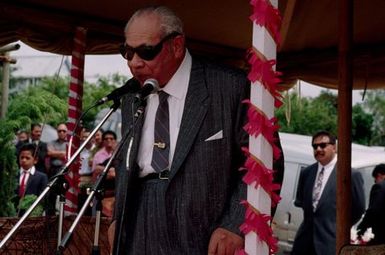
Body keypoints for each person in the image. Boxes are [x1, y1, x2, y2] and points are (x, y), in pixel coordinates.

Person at [110, 6, 284, 255]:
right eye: (127, 52)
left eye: (146, 52)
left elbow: (267, 163)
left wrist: (237, 225)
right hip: (138, 224)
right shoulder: (131, 96)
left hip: (205, 230)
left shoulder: (229, 87)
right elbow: (124, 163)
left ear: (176, 45)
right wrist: (119, 217)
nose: (135, 63)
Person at [291, 131, 365, 255]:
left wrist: (337, 227)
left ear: (334, 147)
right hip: (303, 244)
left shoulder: (350, 174)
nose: (318, 149)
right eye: (315, 146)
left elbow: (359, 209)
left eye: (323, 145)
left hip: (330, 244)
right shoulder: (307, 173)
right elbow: (301, 202)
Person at [16, 143, 48, 216]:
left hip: (31, 214)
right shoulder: (13, 175)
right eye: (22, 157)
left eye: (27, 158)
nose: (24, 160)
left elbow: (42, 199)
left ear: (35, 160)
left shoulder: (41, 177)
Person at [357, 163, 385, 244]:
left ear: (379, 175)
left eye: (375, 179)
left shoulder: (379, 187)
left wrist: (360, 230)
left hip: (380, 236)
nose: (375, 182)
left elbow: (373, 211)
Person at [92, 130, 117, 217]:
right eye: (106, 139)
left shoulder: (121, 160)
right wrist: (110, 171)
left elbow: (114, 174)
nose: (109, 141)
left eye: (111, 139)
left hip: (116, 195)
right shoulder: (100, 156)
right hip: (102, 194)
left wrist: (109, 173)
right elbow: (96, 171)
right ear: (103, 141)